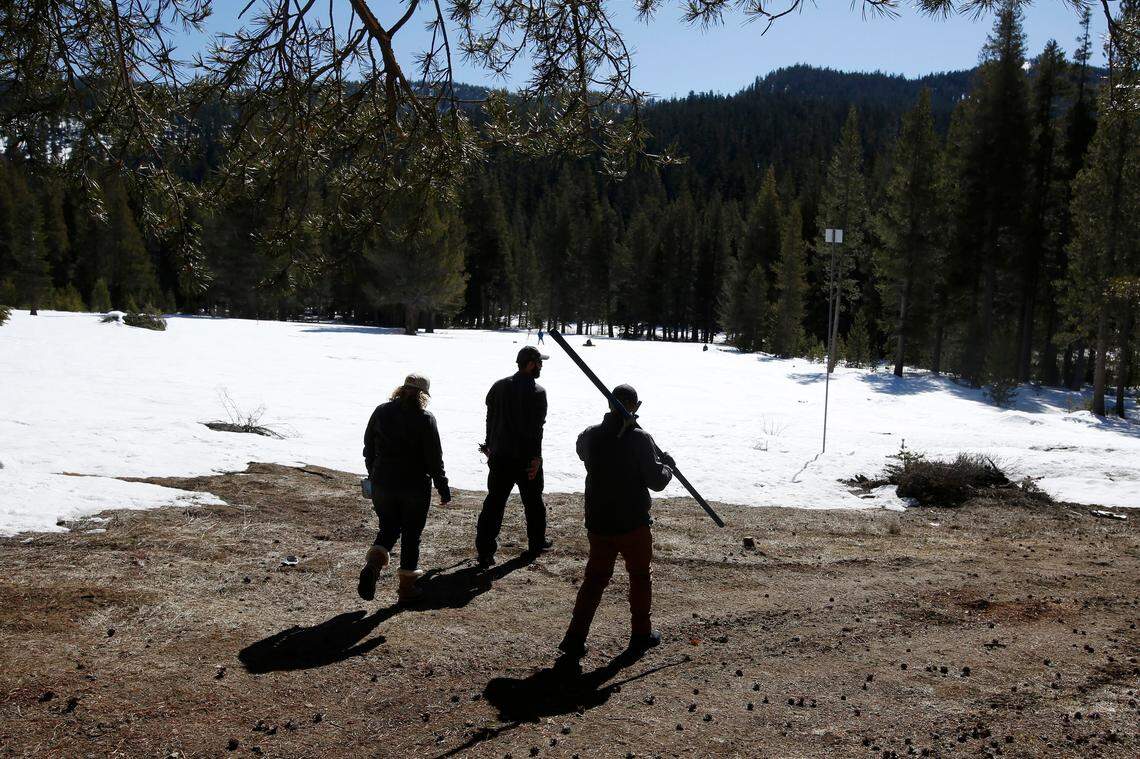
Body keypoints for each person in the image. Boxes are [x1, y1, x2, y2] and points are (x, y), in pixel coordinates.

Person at [558, 384, 674, 658]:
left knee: (595, 579)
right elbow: (657, 481)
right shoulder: (640, 439)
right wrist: (668, 466)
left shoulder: (591, 435)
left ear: (611, 405)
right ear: (634, 406)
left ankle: (575, 637)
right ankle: (641, 634)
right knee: (639, 576)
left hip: (598, 521)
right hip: (633, 523)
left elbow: (581, 449)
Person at [359, 373, 451, 604]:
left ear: (401, 389)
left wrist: (374, 473)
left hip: (382, 482)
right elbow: (434, 459)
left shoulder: (381, 411)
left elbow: (368, 446)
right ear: (422, 395)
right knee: (411, 535)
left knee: (388, 528)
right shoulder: (425, 419)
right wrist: (442, 487)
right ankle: (407, 589)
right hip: (414, 486)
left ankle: (372, 567)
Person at [475, 345, 551, 567]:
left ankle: (485, 551)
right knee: (534, 502)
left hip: (500, 457)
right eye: (539, 362)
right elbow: (537, 428)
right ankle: (536, 543)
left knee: (494, 502)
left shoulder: (498, 387)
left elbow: (490, 418)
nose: (541, 366)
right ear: (530, 364)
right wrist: (536, 458)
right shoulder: (538, 392)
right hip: (526, 459)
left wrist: (489, 445)